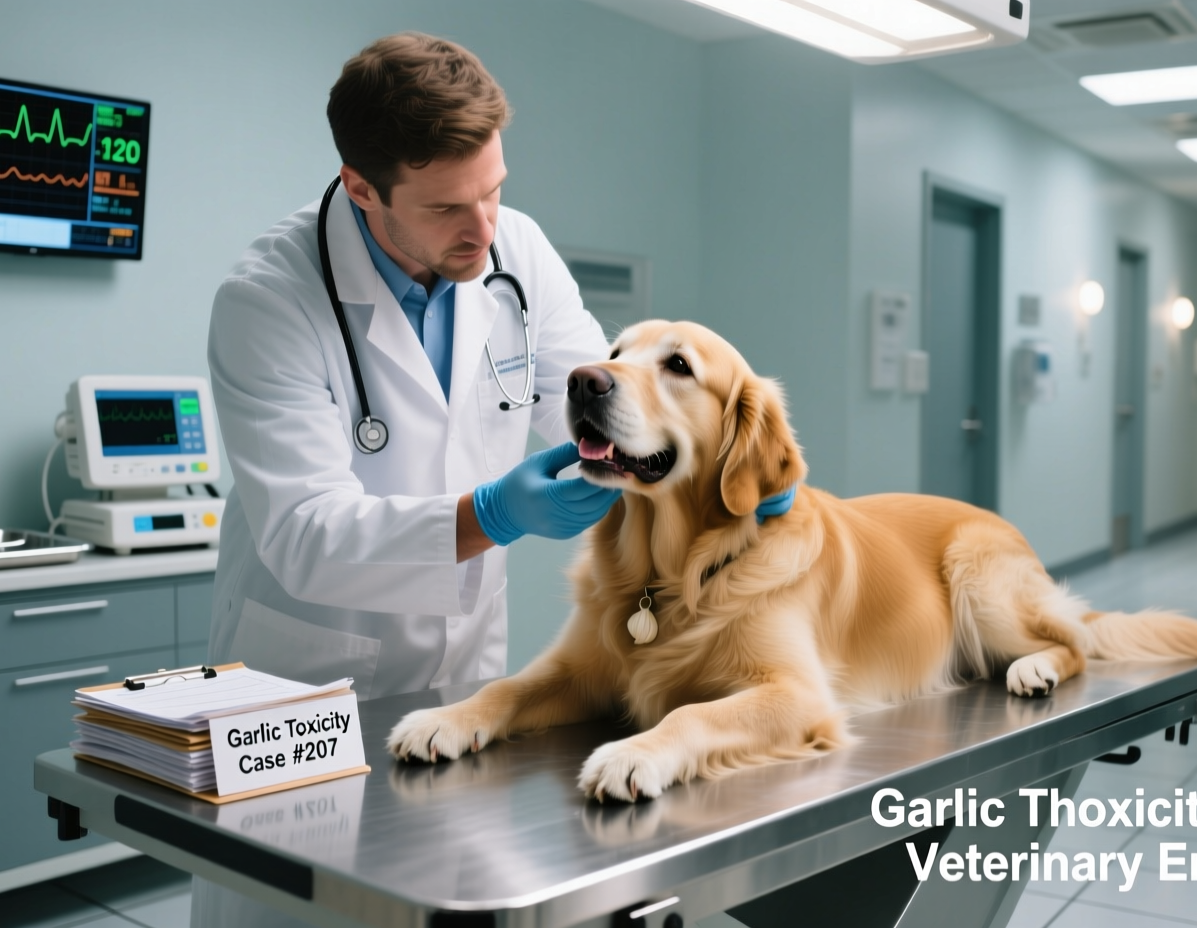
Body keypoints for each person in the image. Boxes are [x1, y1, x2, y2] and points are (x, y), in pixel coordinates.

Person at [195, 32, 789, 926]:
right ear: (363, 188)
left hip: (457, 676)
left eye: (495, 190)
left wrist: (715, 468)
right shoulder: (267, 302)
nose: (484, 230)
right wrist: (493, 514)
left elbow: (591, 397)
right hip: (305, 692)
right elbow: (305, 536)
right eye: (447, 210)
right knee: (296, 912)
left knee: (441, 899)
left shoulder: (517, 249)